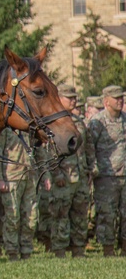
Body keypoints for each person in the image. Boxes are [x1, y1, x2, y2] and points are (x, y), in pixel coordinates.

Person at [37, 84, 94, 258]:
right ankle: (59, 251)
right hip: (63, 177)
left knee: (80, 214)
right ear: (59, 99)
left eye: (74, 97)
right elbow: (46, 151)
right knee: (60, 215)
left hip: (80, 175)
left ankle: (78, 250)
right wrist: (56, 173)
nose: (74, 100)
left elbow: (88, 146)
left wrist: (90, 168)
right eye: (69, 97)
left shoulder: (78, 121)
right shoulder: (52, 124)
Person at [88, 85, 126, 257]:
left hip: (124, 175)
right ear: (106, 101)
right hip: (106, 176)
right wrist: (92, 168)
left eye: (121, 97)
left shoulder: (125, 119)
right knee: (107, 214)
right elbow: (90, 147)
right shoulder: (98, 122)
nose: (120, 100)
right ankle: (108, 249)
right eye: (116, 98)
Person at [0, 126, 41, 261]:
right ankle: (12, 252)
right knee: (12, 217)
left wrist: (46, 175)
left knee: (31, 217)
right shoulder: (6, 130)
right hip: (11, 178)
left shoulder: (31, 129)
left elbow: (39, 152)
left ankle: (26, 251)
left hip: (30, 177)